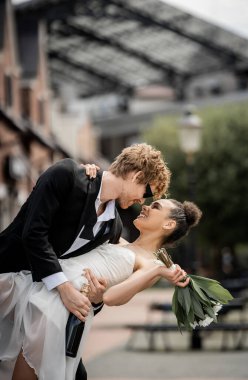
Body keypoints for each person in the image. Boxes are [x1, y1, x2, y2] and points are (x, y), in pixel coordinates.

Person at [0, 143, 170, 380]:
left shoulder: (113, 227)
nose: (142, 201)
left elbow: (84, 273)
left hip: (39, 302)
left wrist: (96, 299)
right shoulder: (67, 175)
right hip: (6, 280)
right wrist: (64, 288)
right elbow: (33, 234)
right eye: (146, 192)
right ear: (136, 175)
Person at [0, 198, 202, 380]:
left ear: (168, 224)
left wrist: (158, 271)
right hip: (47, 285)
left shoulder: (149, 265)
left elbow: (111, 297)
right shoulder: (117, 239)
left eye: (156, 206)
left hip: (57, 308)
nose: (146, 206)